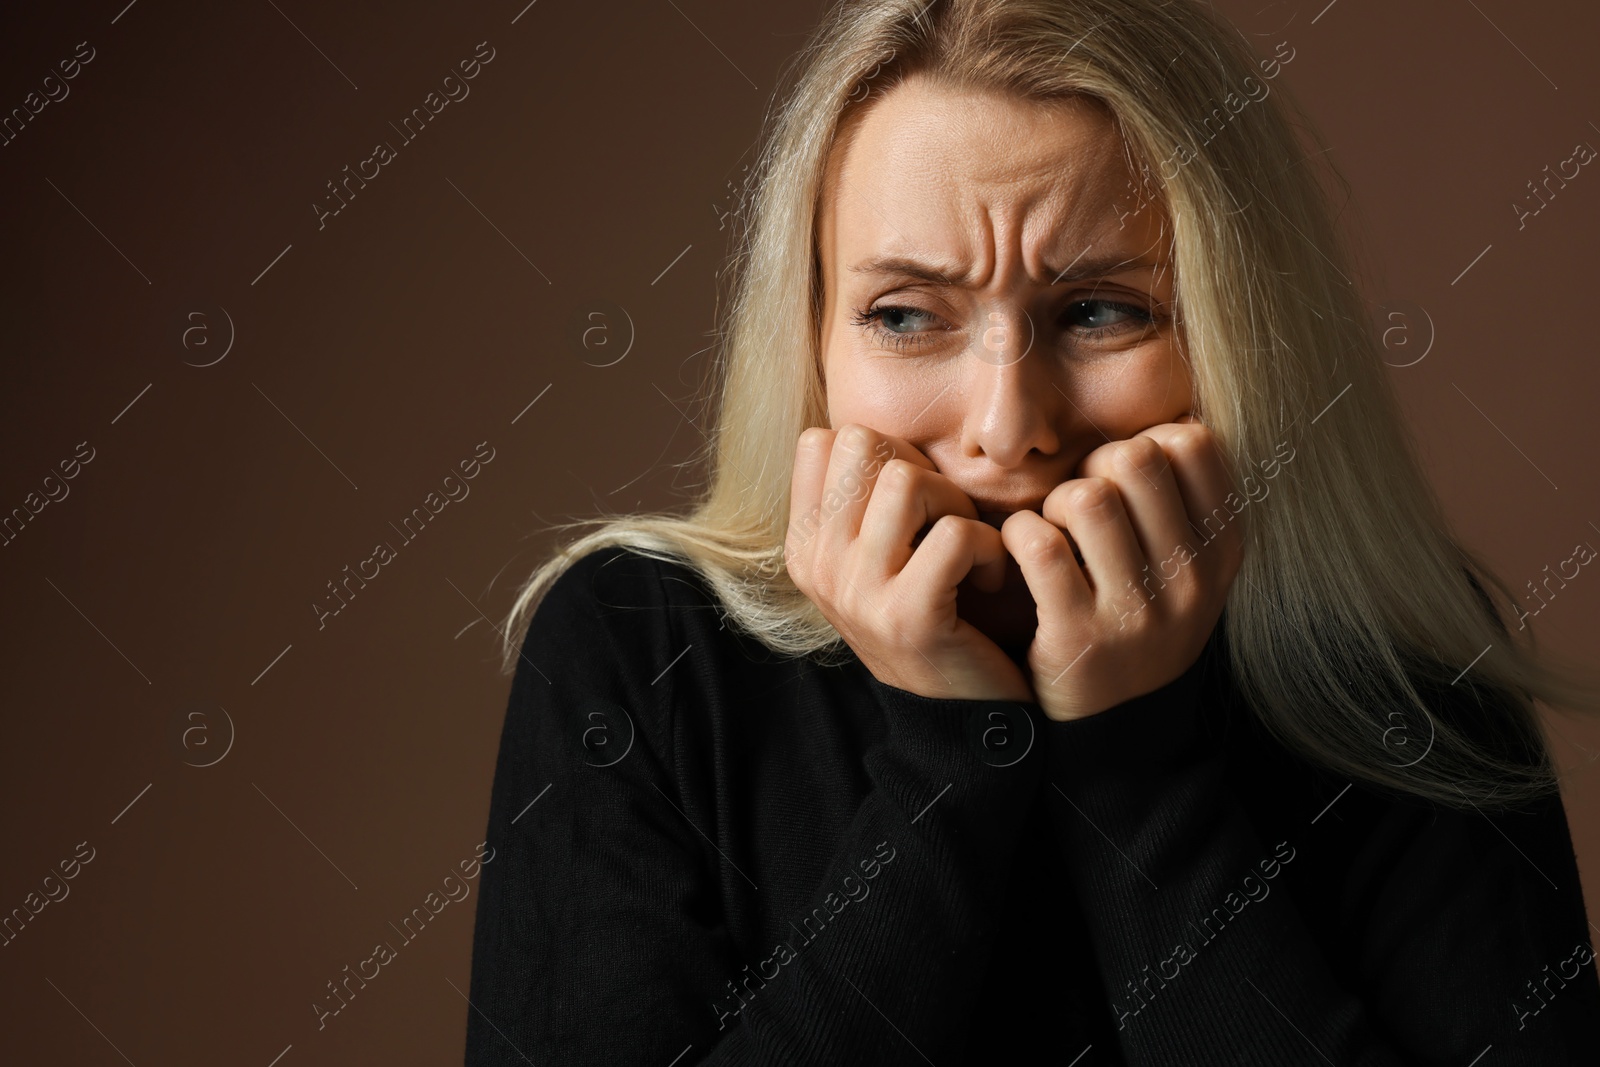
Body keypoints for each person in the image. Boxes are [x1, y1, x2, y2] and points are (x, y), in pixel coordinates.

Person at [463, 0, 1600, 1062]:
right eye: (905, 315)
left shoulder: (1404, 674)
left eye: (1102, 309)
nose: (1008, 429)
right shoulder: (635, 646)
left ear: (1235, 332)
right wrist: (951, 761)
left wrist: (1134, 769)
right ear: (811, 344)